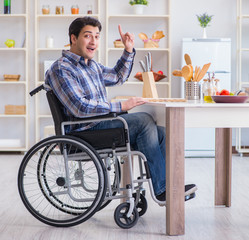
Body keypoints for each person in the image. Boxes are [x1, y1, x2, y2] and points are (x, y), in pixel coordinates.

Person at [45, 16, 197, 202]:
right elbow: (80, 107)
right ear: (73, 38)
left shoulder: (91, 66)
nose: (94, 41)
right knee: (143, 121)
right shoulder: (62, 69)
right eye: (88, 36)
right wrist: (122, 105)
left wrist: (128, 50)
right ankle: (162, 190)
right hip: (83, 131)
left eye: (97, 36)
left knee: (162, 133)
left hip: (99, 125)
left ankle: (169, 186)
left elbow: (118, 76)